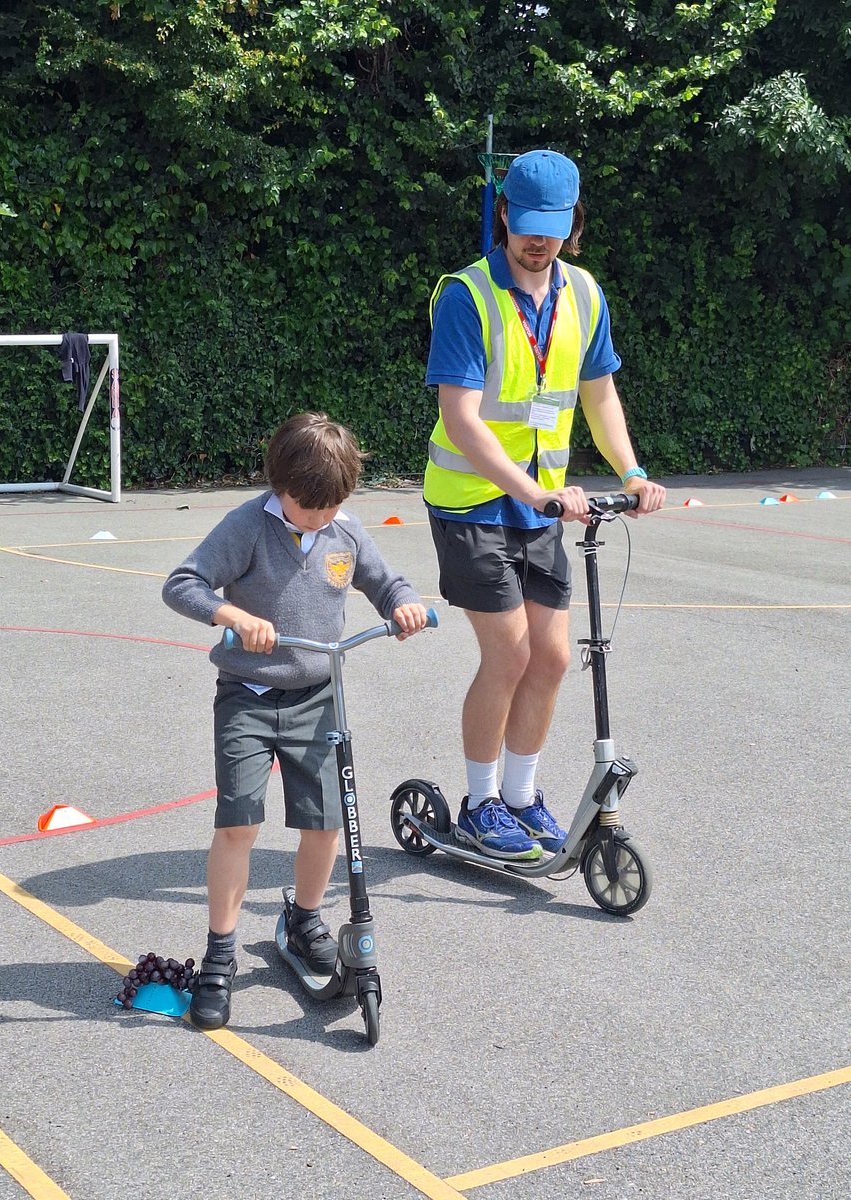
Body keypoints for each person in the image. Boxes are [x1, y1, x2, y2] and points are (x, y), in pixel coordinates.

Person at [423, 148, 666, 863]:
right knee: (510, 654)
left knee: (554, 659)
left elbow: (599, 395)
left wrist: (633, 470)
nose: (537, 242)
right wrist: (529, 489)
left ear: (572, 223)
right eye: (525, 226)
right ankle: (478, 804)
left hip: (542, 509)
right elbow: (462, 417)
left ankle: (524, 799)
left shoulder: (584, 295)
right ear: (503, 215)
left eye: (551, 229)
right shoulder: (468, 296)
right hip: (473, 503)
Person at [162, 412, 429, 1030]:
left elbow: (386, 582)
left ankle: (304, 915)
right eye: (308, 508)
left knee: (326, 823)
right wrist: (231, 615)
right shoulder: (247, 527)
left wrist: (405, 604)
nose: (319, 518)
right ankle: (220, 955)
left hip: (317, 696)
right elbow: (182, 584)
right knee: (238, 824)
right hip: (249, 695)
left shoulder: (345, 532)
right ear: (279, 484)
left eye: (330, 508)